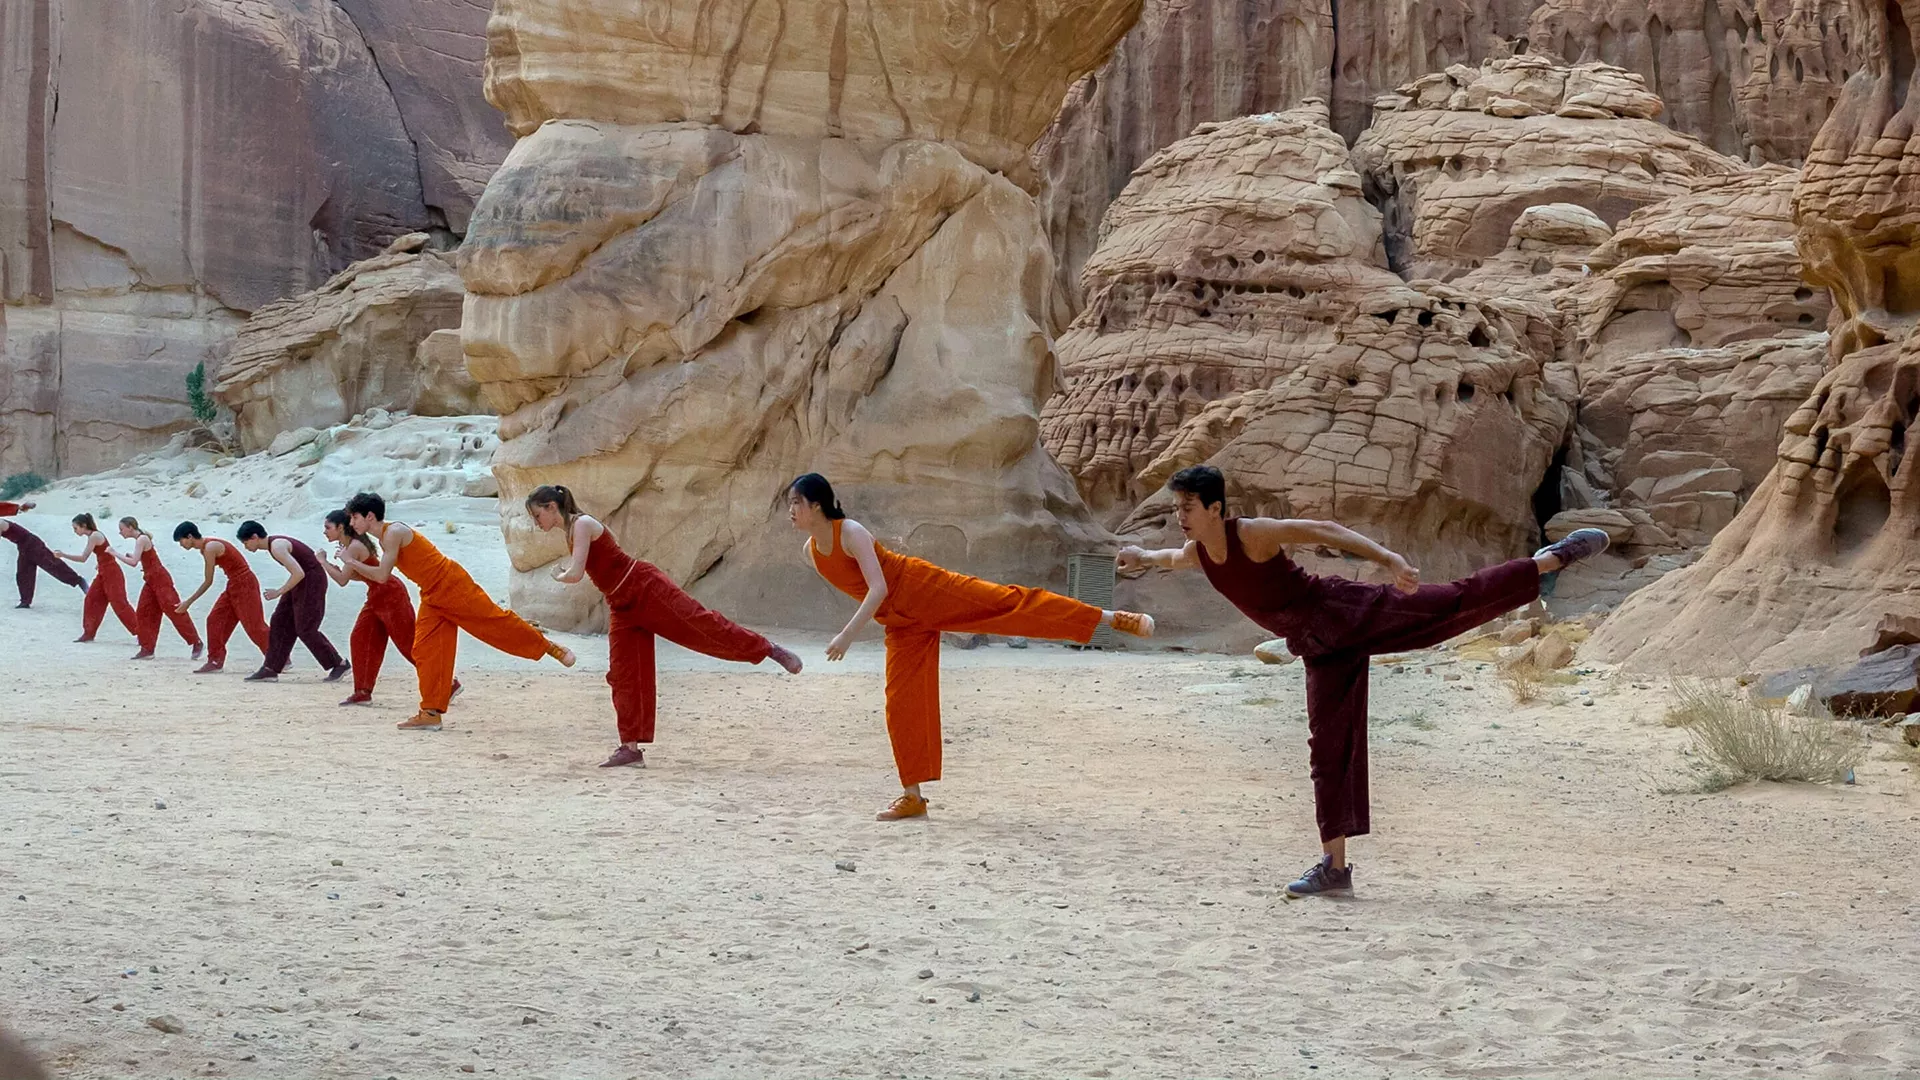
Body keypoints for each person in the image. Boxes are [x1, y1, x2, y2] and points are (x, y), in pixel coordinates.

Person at [1115, 464, 1611, 898]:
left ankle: (1550, 559)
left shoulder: (1253, 534)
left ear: (1215, 507)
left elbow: (1325, 530)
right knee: (1327, 749)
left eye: (1187, 507)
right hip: (1318, 647)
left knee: (1447, 604)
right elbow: (1171, 559)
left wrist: (1389, 560)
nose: (1179, 516)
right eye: (1177, 507)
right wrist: (1141, 555)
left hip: (1340, 611)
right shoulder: (1198, 552)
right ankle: (1334, 869)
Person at [789, 473, 1156, 820]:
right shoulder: (811, 552)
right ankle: (913, 797)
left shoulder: (850, 532)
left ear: (817, 505)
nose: (791, 510)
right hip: (900, 623)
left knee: (1010, 604)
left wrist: (847, 635)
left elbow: (879, 587)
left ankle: (1110, 618)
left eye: (797, 502)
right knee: (901, 702)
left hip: (922, 589)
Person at [529, 484, 804, 768]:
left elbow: (575, 574)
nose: (537, 523)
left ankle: (767, 649)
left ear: (552, 507)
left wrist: (560, 575)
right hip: (621, 604)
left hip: (644, 587)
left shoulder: (582, 524)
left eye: (538, 516)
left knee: (702, 625)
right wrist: (566, 574)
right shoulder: (570, 532)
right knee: (624, 673)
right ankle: (630, 748)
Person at [342, 491, 576, 731]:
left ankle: (549, 647)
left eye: (354, 518)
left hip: (451, 584)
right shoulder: (384, 538)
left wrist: (351, 562)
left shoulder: (393, 533)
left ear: (370, 516)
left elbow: (381, 576)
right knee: (425, 650)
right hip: (432, 594)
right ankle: (431, 712)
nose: (351, 523)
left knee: (494, 623)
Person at [320, 508, 451, 707]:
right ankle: (362, 692)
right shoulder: (351, 546)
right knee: (361, 639)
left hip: (390, 595)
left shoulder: (353, 547)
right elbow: (358, 575)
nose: (325, 532)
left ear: (340, 527)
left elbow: (341, 580)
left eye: (328, 527)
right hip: (376, 595)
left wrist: (322, 562)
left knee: (409, 645)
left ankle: (448, 684)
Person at [236, 520, 349, 682]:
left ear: (254, 537)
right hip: (303, 580)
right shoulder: (273, 545)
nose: (245, 547)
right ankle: (271, 668)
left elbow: (299, 573)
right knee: (280, 620)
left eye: (246, 542)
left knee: (305, 627)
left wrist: (278, 592)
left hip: (311, 580)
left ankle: (339, 664)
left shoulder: (277, 547)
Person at [173, 521, 272, 674]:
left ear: (190, 536)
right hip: (234, 584)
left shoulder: (210, 547)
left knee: (254, 625)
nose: (181, 545)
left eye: (181, 541)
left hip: (245, 583)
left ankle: (279, 658)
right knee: (214, 619)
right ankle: (215, 661)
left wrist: (188, 602)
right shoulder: (206, 547)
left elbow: (208, 581)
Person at [114, 516, 202, 660]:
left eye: (121, 529)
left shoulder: (141, 539)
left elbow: (133, 562)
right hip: (150, 580)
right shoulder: (141, 539)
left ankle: (196, 642)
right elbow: (140, 558)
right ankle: (147, 649)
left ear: (130, 527)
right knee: (144, 612)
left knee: (174, 610)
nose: (120, 532)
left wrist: (114, 553)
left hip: (160, 580)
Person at [58, 513, 137, 643]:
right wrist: (100, 564)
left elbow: (83, 558)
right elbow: (104, 554)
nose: (75, 531)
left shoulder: (94, 536)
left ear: (83, 526)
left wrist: (63, 555)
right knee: (91, 600)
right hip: (103, 572)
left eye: (76, 528)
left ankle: (140, 631)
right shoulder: (94, 535)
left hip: (111, 573)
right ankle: (89, 633)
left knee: (119, 604)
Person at [0, 501, 86, 608]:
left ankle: (79, 580)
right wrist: (21, 507)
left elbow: (3, 507)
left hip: (32, 544)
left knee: (53, 565)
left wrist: (20, 507)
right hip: (23, 547)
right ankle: (25, 602)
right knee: (23, 574)